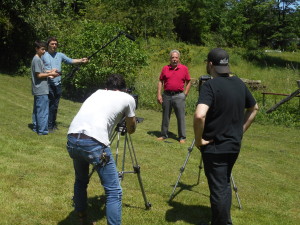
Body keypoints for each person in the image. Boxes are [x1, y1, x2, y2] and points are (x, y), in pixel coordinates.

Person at [193, 48, 258, 225]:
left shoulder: (210, 86)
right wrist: (240, 130)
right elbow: (254, 108)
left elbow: (199, 115)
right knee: (223, 183)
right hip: (233, 146)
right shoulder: (239, 83)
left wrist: (199, 140)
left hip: (215, 146)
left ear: (210, 64)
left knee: (218, 188)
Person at [66, 74, 137, 225]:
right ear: (124, 89)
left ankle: (82, 219)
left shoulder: (97, 93)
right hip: (94, 142)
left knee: (80, 180)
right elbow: (131, 129)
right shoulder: (128, 98)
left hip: (72, 138)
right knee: (113, 191)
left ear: (107, 87)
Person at [42, 36, 88, 131]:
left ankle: (53, 124)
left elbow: (70, 60)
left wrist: (81, 60)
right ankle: (48, 125)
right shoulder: (43, 55)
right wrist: (49, 72)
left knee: (55, 105)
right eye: (52, 44)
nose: (54, 46)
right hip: (47, 83)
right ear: (48, 45)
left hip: (58, 84)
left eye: (56, 44)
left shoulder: (60, 55)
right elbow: (39, 70)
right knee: (49, 105)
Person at [157, 49, 191, 143]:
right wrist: (159, 94)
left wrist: (185, 94)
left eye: (176, 57)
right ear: (170, 59)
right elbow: (160, 81)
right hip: (167, 95)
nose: (174, 59)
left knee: (180, 117)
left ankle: (182, 137)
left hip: (179, 96)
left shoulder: (184, 68)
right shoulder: (165, 68)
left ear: (179, 58)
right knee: (165, 116)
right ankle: (164, 135)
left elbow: (188, 81)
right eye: (172, 57)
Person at [31, 41, 59, 135]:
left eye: (44, 49)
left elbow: (42, 71)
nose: (44, 52)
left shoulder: (38, 59)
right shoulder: (37, 59)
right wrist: (51, 74)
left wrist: (50, 71)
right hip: (41, 89)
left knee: (37, 110)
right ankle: (42, 131)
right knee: (43, 111)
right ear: (36, 49)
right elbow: (39, 75)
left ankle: (36, 127)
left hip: (38, 89)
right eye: (42, 49)